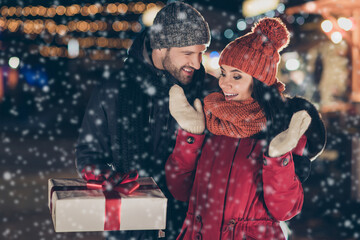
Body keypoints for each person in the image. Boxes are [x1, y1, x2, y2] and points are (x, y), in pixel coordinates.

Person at [166, 17, 326, 240]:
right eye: (223, 72)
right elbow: (179, 189)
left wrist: (278, 158)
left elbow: (285, 210)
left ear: (259, 81)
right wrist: (191, 136)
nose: (224, 83)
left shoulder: (284, 128)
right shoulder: (211, 119)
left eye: (237, 76)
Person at [75, 2, 212, 239]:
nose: (197, 63)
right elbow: (89, 152)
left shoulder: (207, 92)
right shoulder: (114, 89)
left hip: (188, 223)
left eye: (201, 52)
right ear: (160, 48)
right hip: (129, 223)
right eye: (188, 53)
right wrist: (107, 177)